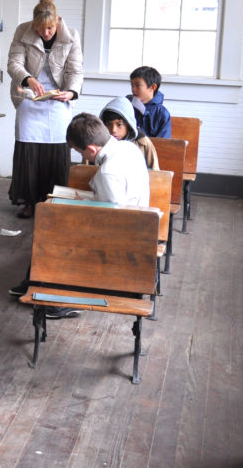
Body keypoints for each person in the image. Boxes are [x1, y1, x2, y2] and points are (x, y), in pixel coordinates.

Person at [9, 113, 149, 318]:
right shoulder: (128, 147)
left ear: (91, 149)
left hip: (125, 237)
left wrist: (78, 212)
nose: (78, 155)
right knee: (55, 223)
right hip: (135, 221)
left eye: (78, 151)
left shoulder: (108, 172)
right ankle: (34, 281)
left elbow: (113, 224)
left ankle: (60, 297)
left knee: (53, 233)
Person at [6, 0, 83, 218]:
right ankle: (30, 201)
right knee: (28, 148)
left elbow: (75, 71)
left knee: (57, 147)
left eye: (49, 28)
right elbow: (14, 63)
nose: (46, 33)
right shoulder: (23, 31)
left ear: (57, 21)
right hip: (29, 95)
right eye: (41, 29)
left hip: (58, 96)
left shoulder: (72, 36)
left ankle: (53, 200)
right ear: (34, 24)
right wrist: (28, 78)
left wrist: (70, 92)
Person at [99, 96, 159, 170]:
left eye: (119, 124)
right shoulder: (98, 144)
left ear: (129, 124)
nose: (113, 130)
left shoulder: (143, 143)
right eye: (108, 124)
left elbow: (156, 174)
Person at [128, 66, 172, 139]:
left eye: (138, 85)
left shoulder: (161, 113)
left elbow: (163, 143)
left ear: (153, 87)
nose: (133, 89)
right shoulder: (128, 106)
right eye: (132, 85)